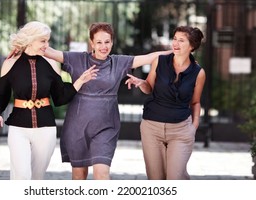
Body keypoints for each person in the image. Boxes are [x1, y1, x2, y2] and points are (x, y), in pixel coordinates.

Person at [44, 22, 171, 180]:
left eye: (107, 42)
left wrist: (177, 52)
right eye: (99, 42)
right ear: (92, 43)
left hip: (106, 126)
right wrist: (29, 40)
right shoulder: (76, 59)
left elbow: (148, 58)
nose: (104, 46)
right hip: (77, 126)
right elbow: (48, 51)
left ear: (112, 42)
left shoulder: (119, 62)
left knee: (102, 173)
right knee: (78, 176)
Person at [0, 21, 98, 180]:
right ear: (31, 40)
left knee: (36, 177)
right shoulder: (10, 63)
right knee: (22, 175)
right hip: (18, 128)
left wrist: (80, 81)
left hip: (46, 129)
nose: (47, 45)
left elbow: (60, 96)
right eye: (43, 41)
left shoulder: (52, 63)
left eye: (48, 40)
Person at [125, 25, 206, 180]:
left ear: (192, 46)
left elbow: (195, 102)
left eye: (181, 40)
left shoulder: (198, 73)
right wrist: (141, 83)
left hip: (180, 130)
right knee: (156, 179)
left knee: (174, 177)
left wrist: (193, 127)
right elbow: (149, 88)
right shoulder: (159, 61)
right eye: (175, 39)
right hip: (152, 128)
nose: (175, 43)